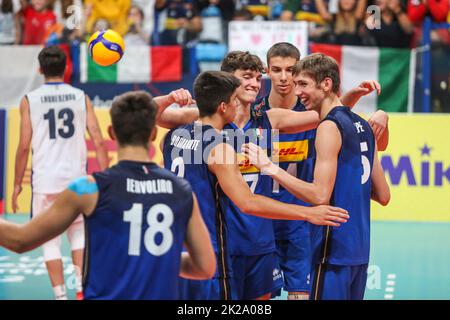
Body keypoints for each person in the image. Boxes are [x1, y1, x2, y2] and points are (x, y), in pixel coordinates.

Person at [1, 91, 216, 300]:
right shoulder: (181, 190)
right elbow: (205, 267)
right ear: (153, 134)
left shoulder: (89, 189)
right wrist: (154, 258)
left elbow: (20, 240)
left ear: (112, 133)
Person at [162, 70, 350, 300]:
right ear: (223, 106)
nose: (237, 105)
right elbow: (248, 203)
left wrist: (169, 100)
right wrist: (308, 213)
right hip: (208, 256)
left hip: (174, 254)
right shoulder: (219, 148)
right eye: (234, 101)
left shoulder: (173, 137)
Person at [242, 53, 391, 300]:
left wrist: (269, 167)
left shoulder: (328, 127)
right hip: (359, 252)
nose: (296, 89)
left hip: (330, 250)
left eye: (303, 84)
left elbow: (320, 195)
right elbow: (383, 195)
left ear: (326, 84)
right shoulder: (364, 126)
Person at [12, 45, 108, 300]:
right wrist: (107, 178)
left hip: (45, 180)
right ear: (66, 69)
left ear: (40, 69)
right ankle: (80, 289)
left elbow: (23, 146)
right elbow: (98, 139)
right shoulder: (80, 96)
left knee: (49, 241)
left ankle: (59, 296)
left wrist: (16, 185)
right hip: (76, 180)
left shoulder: (29, 99)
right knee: (78, 235)